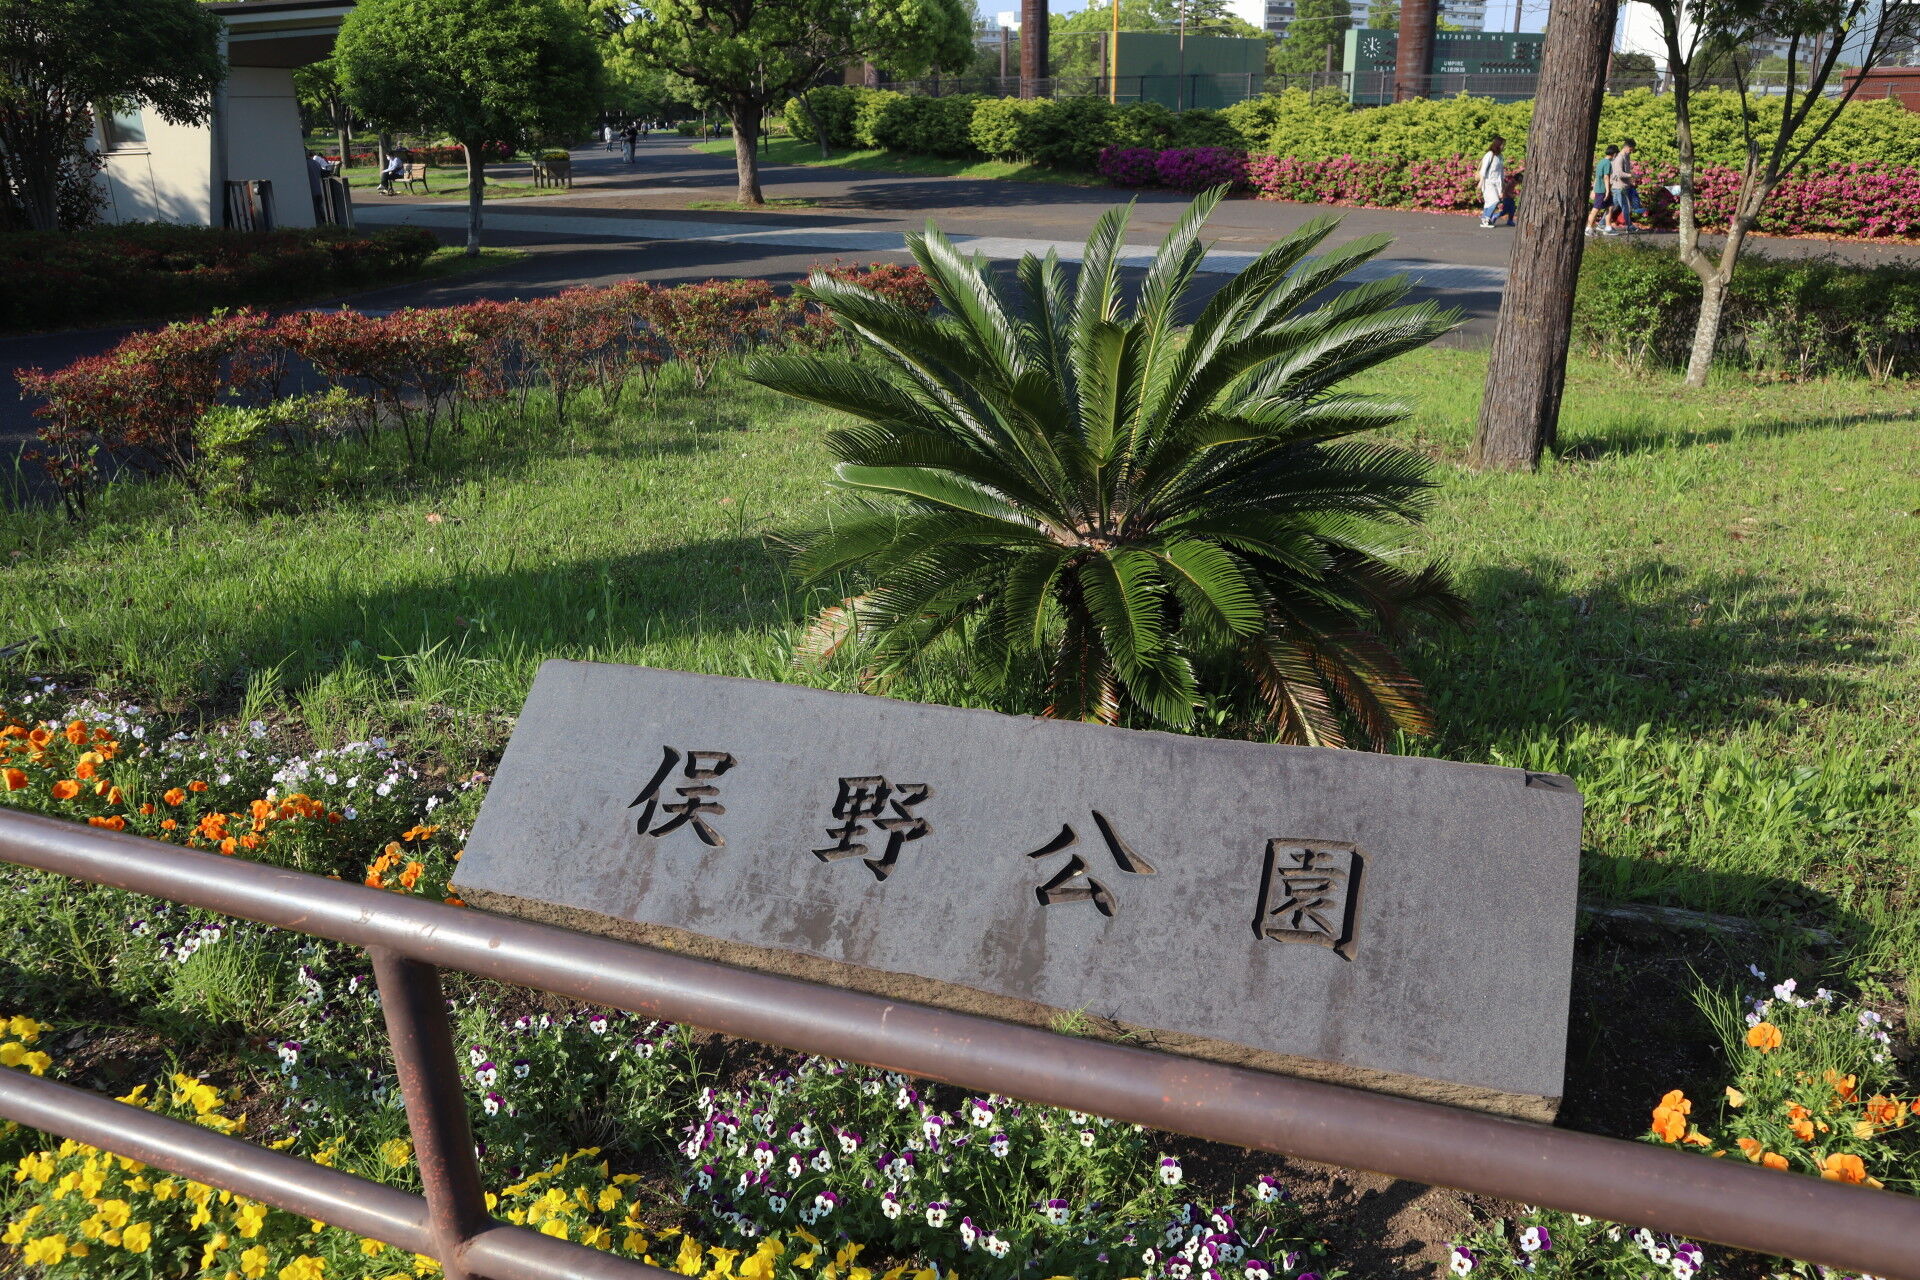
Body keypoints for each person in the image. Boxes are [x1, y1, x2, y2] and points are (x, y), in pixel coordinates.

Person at [1586, 144, 1618, 236]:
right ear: (1614, 154)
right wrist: (1607, 191)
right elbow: (1606, 177)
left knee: (1610, 206)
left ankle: (1608, 228)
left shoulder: (1601, 162)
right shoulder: (1607, 163)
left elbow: (1597, 177)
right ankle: (1588, 228)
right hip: (1602, 190)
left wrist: (1593, 189)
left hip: (1599, 189)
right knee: (1596, 209)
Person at [1611, 137, 1640, 234]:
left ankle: (1602, 223)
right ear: (1627, 147)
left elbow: (1626, 171)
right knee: (1625, 206)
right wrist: (1632, 175)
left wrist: (1630, 182)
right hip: (1620, 187)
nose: (1631, 151)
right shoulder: (1619, 158)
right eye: (1631, 149)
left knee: (1613, 207)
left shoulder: (1627, 156)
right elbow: (1619, 173)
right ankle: (1629, 226)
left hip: (1624, 186)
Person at [1477, 136, 1506, 230]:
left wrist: (1502, 185)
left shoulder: (1500, 156)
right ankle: (1486, 218)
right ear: (1498, 144)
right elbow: (1483, 169)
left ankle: (1485, 219)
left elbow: (1501, 172)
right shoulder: (1490, 154)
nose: (1503, 146)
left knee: (1489, 202)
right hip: (1488, 182)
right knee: (1494, 201)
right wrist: (1481, 182)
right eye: (1502, 145)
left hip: (1497, 183)